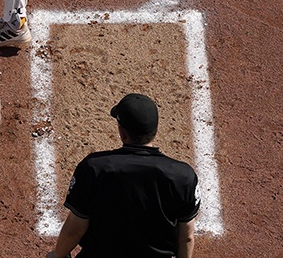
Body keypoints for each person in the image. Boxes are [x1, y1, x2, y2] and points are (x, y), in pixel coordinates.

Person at [49, 93, 200, 258]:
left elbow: (75, 229)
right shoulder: (183, 176)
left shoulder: (94, 168)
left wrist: (58, 256)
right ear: (155, 130)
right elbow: (186, 237)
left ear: (122, 131)